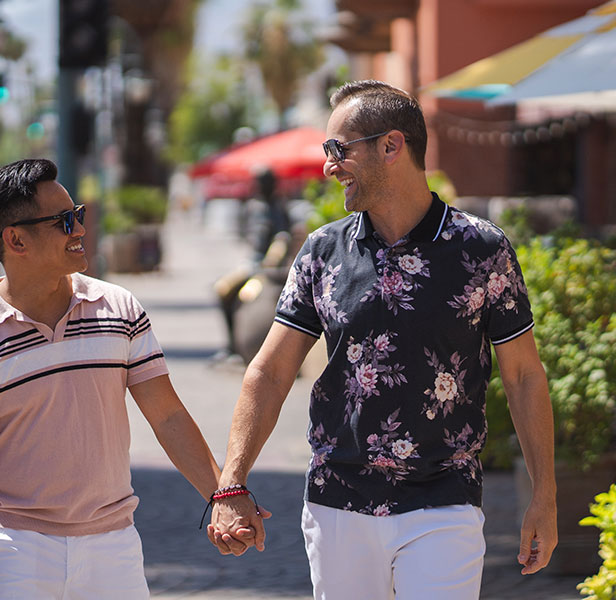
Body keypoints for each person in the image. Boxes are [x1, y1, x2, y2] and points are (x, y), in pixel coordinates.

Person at [207, 80, 557, 599]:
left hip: (446, 500)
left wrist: (544, 496)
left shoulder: (481, 248)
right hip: (336, 503)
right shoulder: (321, 252)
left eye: (338, 149)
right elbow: (270, 371)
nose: (329, 166)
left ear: (391, 146)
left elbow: (524, 375)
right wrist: (231, 482)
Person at [0, 159, 235, 599]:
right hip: (15, 553)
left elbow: (167, 416)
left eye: (78, 215)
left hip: (114, 549)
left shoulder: (120, 309)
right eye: (63, 221)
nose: (79, 230)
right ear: (16, 240)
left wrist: (223, 496)